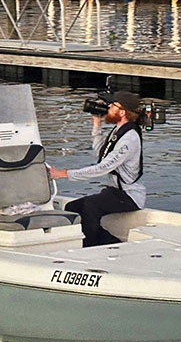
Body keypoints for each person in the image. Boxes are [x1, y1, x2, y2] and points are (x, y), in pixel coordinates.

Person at [48, 91, 146, 247]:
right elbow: (100, 153)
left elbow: (103, 167)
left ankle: (91, 246)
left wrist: (65, 174)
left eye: (112, 105)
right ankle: (112, 243)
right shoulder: (119, 130)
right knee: (73, 207)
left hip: (129, 196)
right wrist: (96, 124)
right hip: (115, 192)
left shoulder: (129, 139)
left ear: (122, 112)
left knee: (90, 208)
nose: (108, 108)